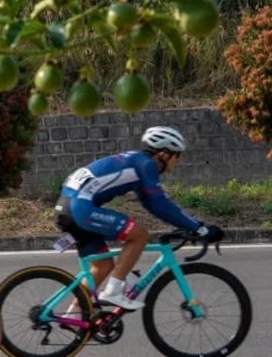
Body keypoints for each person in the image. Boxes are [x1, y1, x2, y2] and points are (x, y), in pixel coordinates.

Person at [53, 126, 223, 311]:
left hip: (66, 209)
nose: (179, 161)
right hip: (81, 208)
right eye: (177, 155)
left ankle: (73, 317)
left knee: (103, 266)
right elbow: (159, 203)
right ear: (164, 154)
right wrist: (199, 228)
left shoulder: (136, 162)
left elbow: (151, 203)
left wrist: (191, 225)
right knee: (139, 235)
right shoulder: (146, 164)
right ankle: (113, 291)